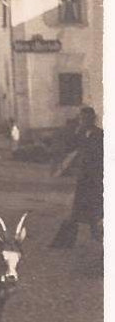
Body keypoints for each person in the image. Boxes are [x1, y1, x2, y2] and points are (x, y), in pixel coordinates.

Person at [50, 106, 103, 251]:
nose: (83, 121)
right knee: (78, 208)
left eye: (86, 118)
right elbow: (69, 148)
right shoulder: (80, 134)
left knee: (96, 207)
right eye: (82, 118)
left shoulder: (100, 134)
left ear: (92, 119)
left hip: (97, 177)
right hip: (84, 177)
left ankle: (97, 234)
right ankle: (67, 242)